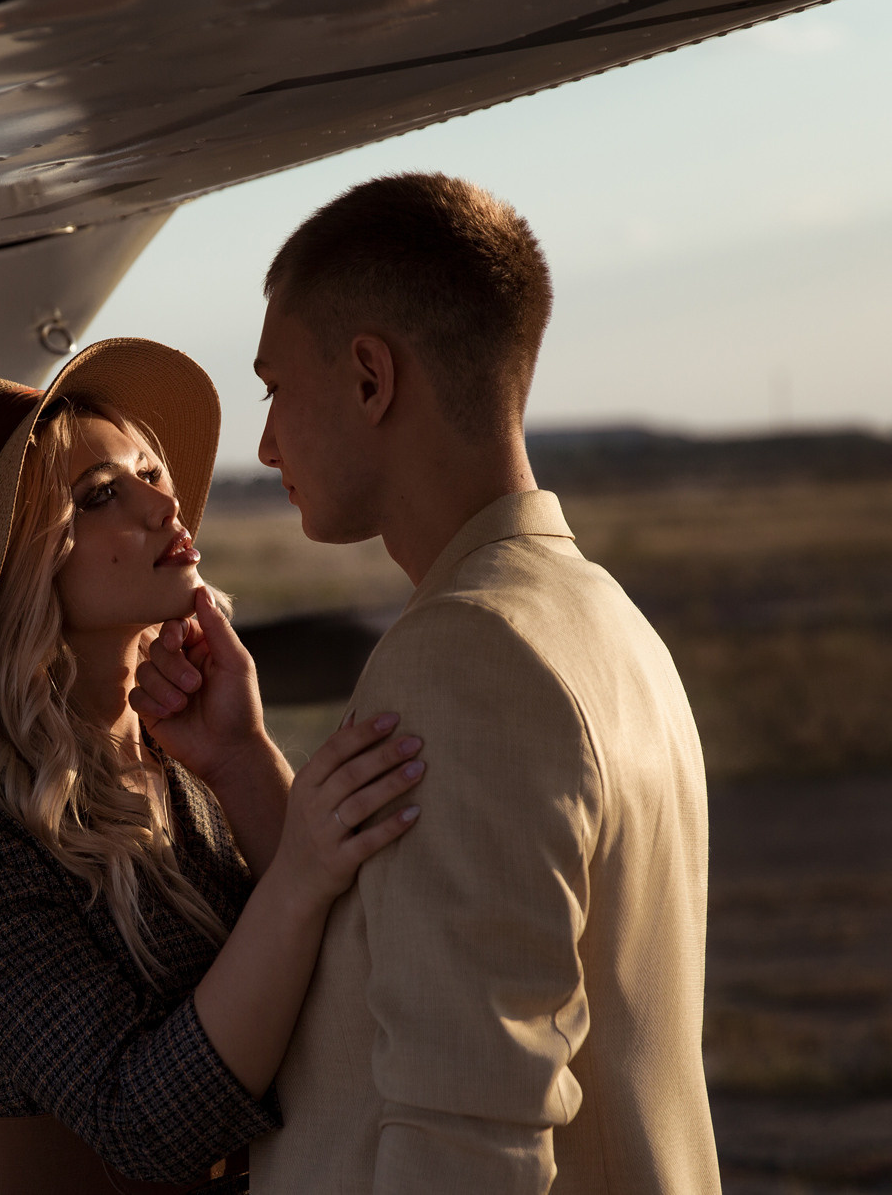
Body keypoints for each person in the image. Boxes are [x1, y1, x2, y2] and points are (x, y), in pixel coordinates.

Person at [134, 173, 720, 1192]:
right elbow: (387, 949)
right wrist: (238, 757)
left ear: (369, 377)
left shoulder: (467, 656)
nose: (265, 442)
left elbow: (470, 1132)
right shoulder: (603, 620)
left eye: (274, 388)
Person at [0, 338, 426, 1195]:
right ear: (29, 567)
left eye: (150, 470)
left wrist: (244, 759)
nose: (164, 504)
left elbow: (359, 968)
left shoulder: (187, 756)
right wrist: (300, 871)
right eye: (101, 496)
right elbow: (142, 1123)